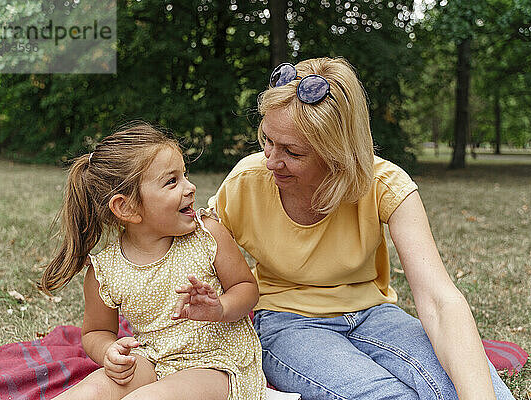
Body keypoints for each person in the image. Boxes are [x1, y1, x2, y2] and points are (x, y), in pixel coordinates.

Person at [208, 58, 515, 399]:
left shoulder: (385, 183)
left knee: (478, 389)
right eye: (267, 139)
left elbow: (440, 300)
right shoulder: (246, 181)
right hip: (289, 321)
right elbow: (195, 251)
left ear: (336, 152)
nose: (270, 160)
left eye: (292, 152)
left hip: (374, 314)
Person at [39, 123, 266, 400]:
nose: (190, 187)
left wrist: (220, 308)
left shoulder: (207, 233)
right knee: (90, 391)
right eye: (172, 181)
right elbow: (97, 331)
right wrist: (109, 351)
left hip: (217, 364)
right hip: (153, 359)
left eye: (185, 175)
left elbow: (247, 288)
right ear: (127, 207)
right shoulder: (105, 270)